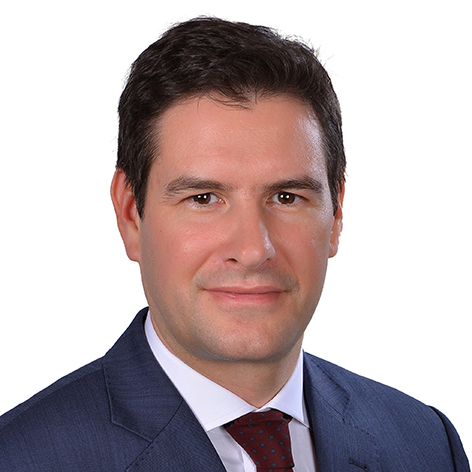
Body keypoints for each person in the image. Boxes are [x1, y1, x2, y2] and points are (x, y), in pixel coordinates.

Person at [0, 16, 469, 472]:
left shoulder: (426, 444)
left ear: (336, 213)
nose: (252, 249)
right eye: (203, 198)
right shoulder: (20, 458)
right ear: (130, 215)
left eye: (286, 197)